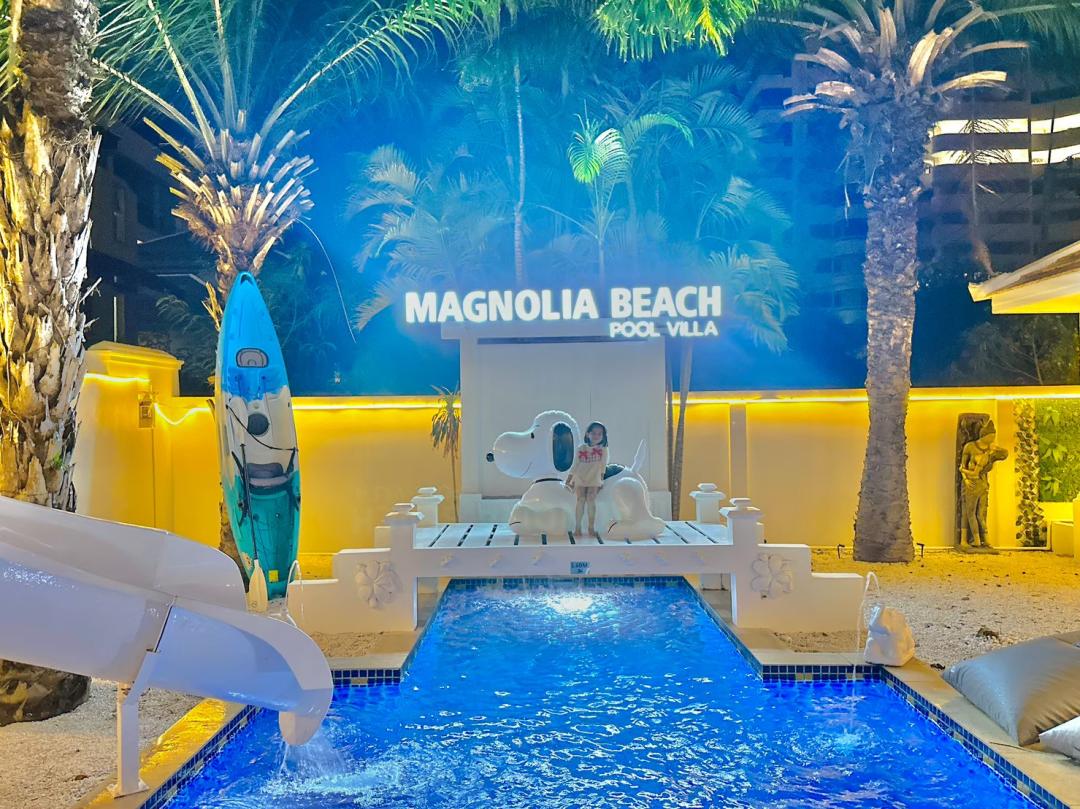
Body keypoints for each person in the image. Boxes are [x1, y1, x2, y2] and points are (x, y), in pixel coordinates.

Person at [566, 422, 608, 537]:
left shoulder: (603, 449)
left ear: (603, 436)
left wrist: (601, 479)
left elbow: (603, 465)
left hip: (594, 478)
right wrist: (569, 479)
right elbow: (575, 465)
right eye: (593, 433)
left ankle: (591, 527)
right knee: (580, 500)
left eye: (599, 434)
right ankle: (577, 527)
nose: (596, 436)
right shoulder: (581, 448)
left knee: (591, 500)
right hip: (580, 477)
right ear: (587, 434)